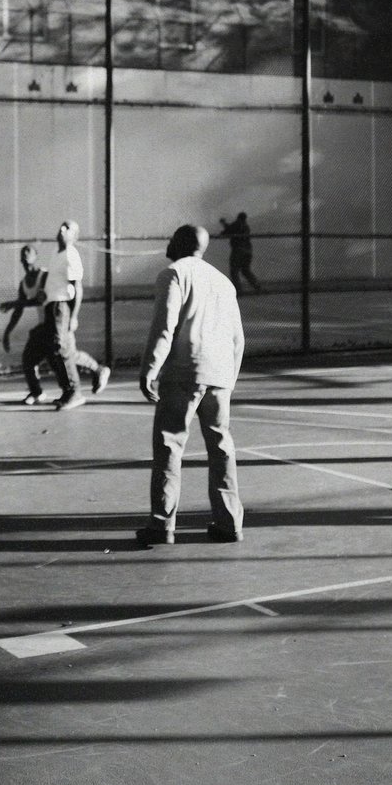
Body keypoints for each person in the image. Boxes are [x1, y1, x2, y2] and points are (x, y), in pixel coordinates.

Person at [136, 224, 245, 546]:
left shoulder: (173, 274)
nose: (167, 242)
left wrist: (149, 368)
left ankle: (162, 524)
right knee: (221, 448)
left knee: (170, 446)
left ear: (181, 242)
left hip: (184, 370)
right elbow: (238, 338)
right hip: (219, 374)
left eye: (172, 238)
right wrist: (230, 378)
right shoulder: (223, 282)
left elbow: (164, 327)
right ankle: (229, 522)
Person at [0, 244, 110, 405]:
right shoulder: (24, 283)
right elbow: (19, 309)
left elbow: (40, 299)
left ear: (35, 256)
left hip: (58, 322)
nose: (25, 254)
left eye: (28, 251)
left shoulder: (44, 276)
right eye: (22, 252)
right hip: (44, 327)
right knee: (29, 359)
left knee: (68, 355)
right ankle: (37, 392)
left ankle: (98, 371)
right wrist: (7, 332)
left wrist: (72, 317)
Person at [41, 219, 106, 410]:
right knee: (62, 350)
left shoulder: (71, 255)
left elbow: (77, 287)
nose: (62, 229)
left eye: (67, 228)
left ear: (74, 235)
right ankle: (94, 372)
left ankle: (75, 392)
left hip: (62, 307)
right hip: (52, 305)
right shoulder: (56, 253)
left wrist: (74, 316)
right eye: (61, 225)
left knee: (61, 349)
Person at [219, 211, 261, 293]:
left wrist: (223, 225)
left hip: (238, 250)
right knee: (245, 270)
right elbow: (231, 229)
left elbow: (228, 230)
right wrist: (225, 225)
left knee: (234, 270)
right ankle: (257, 286)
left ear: (238, 217)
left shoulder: (237, 224)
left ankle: (239, 290)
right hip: (248, 250)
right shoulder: (246, 226)